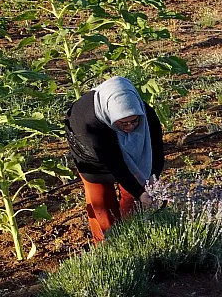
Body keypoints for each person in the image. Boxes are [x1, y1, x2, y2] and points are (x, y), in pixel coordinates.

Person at [65, 76, 165, 243]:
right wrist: (140, 192)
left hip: (120, 153)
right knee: (102, 203)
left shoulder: (145, 113)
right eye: (123, 124)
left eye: (134, 121)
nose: (130, 127)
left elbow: (157, 151)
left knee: (134, 198)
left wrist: (151, 182)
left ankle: (134, 238)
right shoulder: (90, 124)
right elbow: (114, 163)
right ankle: (106, 246)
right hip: (92, 156)